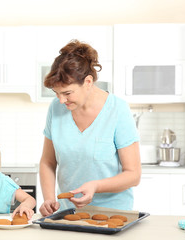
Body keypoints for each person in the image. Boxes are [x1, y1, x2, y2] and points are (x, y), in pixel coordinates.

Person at [39, 39, 141, 217]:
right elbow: (48, 162)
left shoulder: (117, 110)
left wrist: (96, 186)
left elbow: (133, 175)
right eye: (56, 94)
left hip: (113, 215)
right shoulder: (56, 108)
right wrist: (49, 198)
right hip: (68, 214)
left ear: (88, 81)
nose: (61, 100)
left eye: (67, 93)